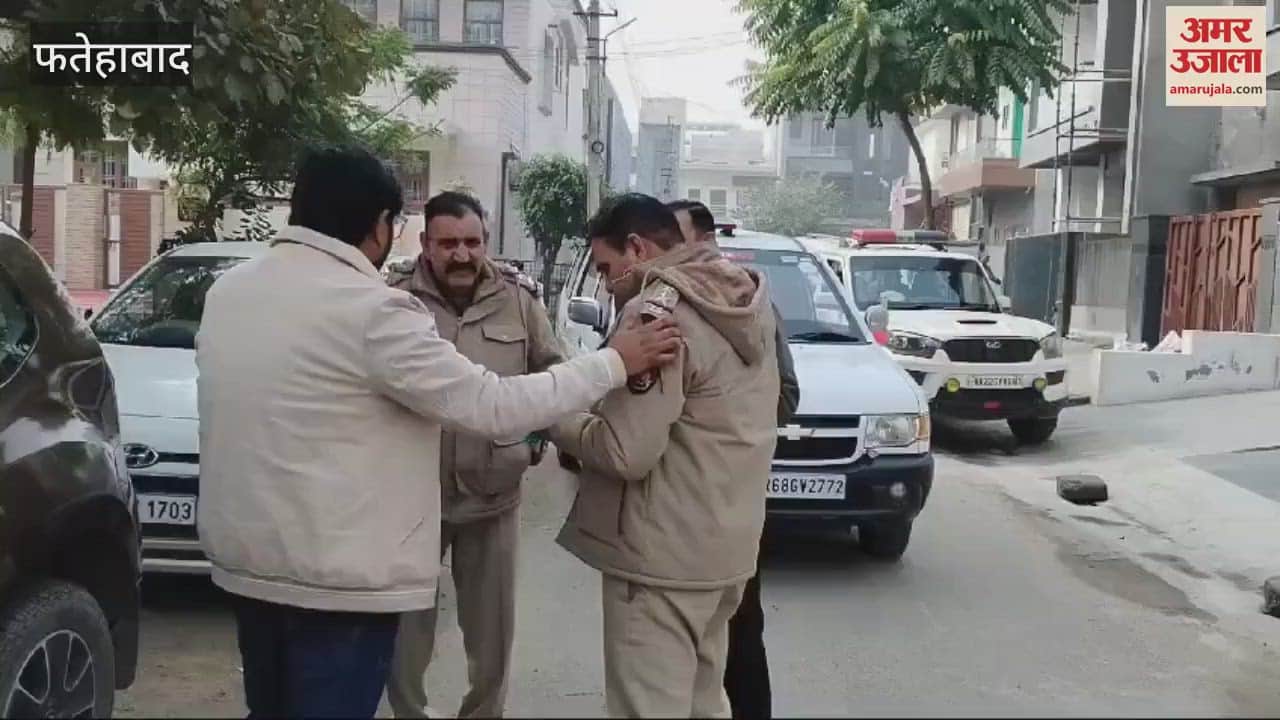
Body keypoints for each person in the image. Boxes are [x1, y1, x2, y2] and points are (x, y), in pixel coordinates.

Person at [195, 148, 682, 720]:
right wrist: (614, 362)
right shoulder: (375, 309)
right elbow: (492, 403)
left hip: (252, 566)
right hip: (337, 583)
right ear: (385, 228)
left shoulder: (230, 292)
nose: (462, 253)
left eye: (473, 242)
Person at [548, 193, 780, 718]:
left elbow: (624, 450)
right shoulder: (744, 299)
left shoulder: (657, 313)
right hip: (727, 554)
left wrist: (554, 417)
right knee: (704, 703)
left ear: (637, 247)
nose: (608, 283)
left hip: (661, 563)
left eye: (608, 268)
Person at [384, 191, 556, 719]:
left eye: (472, 242)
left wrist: (530, 444)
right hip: (411, 499)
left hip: (493, 497)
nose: (462, 254)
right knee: (405, 632)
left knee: (491, 633)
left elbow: (553, 377)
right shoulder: (393, 300)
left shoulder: (520, 300)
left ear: (486, 241)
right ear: (424, 243)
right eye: (448, 243)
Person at [667, 199, 798, 720]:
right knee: (673, 651)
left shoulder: (755, 306)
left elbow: (787, 395)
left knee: (740, 636)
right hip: (671, 515)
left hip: (735, 503)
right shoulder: (662, 306)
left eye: (671, 240)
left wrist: (722, 411)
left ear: (702, 241)